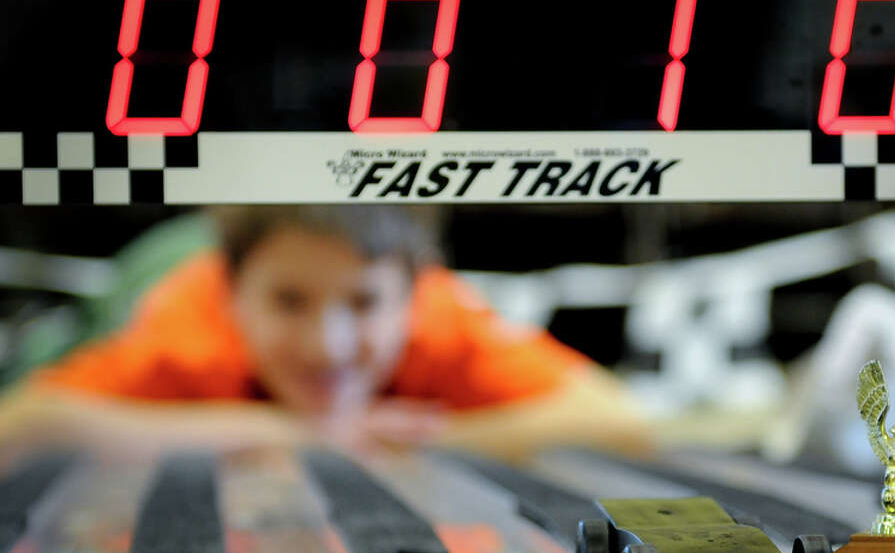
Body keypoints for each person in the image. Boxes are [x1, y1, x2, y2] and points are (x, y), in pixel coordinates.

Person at [0, 204, 652, 463]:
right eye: (290, 302)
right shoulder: (190, 323)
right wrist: (304, 433)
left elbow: (618, 419)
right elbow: (21, 424)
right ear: (233, 297)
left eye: (365, 304)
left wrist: (417, 438)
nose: (328, 347)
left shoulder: (438, 314)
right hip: (162, 258)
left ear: (410, 297)